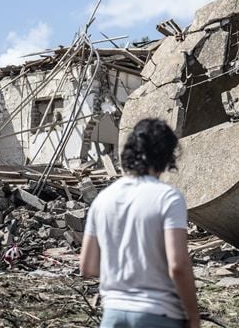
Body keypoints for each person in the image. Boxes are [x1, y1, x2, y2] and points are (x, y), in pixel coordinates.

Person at [79, 118, 200, 328]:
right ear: (167, 156)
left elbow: (87, 267)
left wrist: (124, 272)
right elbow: (178, 266)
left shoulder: (103, 199)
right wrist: (193, 315)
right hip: (158, 314)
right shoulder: (168, 198)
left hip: (113, 315)